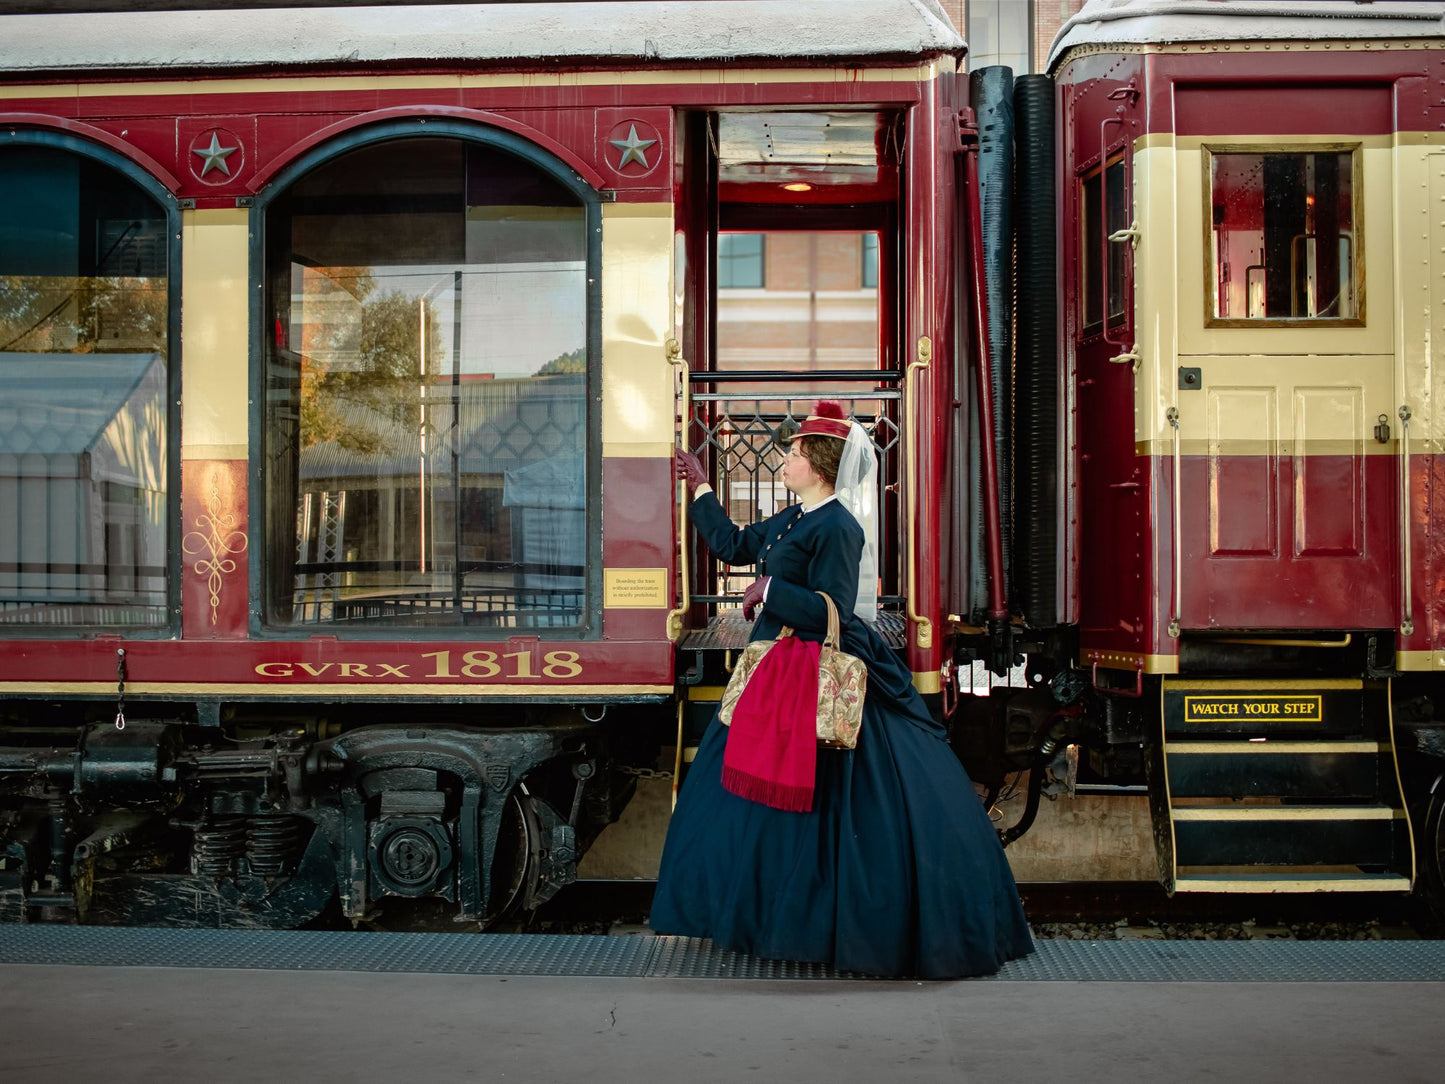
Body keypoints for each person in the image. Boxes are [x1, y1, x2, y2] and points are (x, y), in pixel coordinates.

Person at [650, 401, 1034, 979]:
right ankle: (770, 918)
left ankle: (814, 925)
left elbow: (831, 611)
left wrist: (771, 590)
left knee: (799, 797)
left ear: (821, 463)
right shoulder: (794, 519)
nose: (785, 460)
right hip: (777, 670)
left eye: (795, 453)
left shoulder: (838, 527)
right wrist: (701, 487)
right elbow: (732, 544)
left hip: (805, 673)